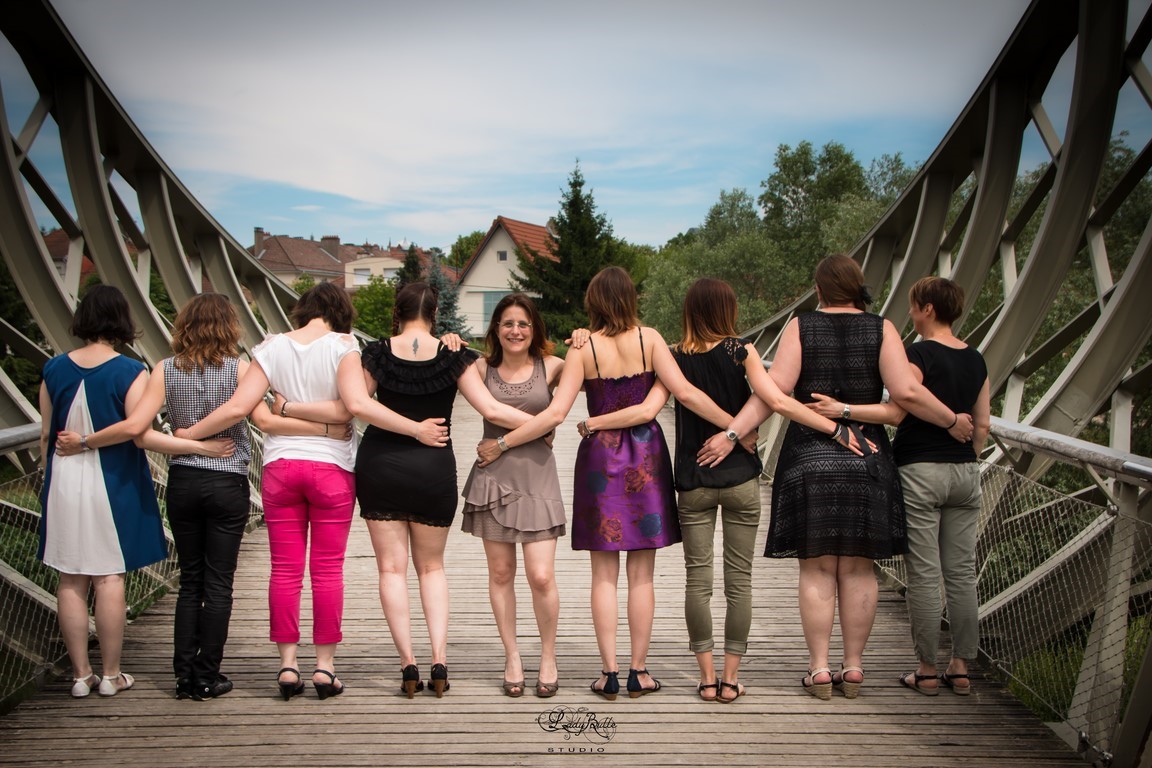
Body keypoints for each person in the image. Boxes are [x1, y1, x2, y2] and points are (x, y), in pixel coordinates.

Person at [477, 266, 767, 701]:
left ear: (593, 303)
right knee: (642, 576)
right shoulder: (651, 340)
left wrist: (521, 438)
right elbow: (674, 398)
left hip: (598, 458)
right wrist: (737, 429)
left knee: (603, 577)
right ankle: (639, 672)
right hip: (645, 458)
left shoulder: (583, 348)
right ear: (632, 299)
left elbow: (555, 414)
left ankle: (608, 673)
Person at [56, 293, 351, 701]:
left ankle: (183, 676)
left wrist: (189, 443)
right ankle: (209, 674)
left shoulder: (164, 369)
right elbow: (260, 418)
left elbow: (141, 434)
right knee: (219, 583)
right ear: (229, 326)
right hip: (228, 482)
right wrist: (212, 445)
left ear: (185, 325)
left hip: (183, 483)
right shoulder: (239, 368)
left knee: (191, 581)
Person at [581, 277, 862, 703]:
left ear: (688, 312)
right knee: (740, 582)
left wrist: (586, 358)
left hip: (693, 482)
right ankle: (731, 680)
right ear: (729, 310)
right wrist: (826, 428)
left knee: (698, 582)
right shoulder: (741, 350)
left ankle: (706, 678)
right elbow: (777, 399)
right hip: (741, 480)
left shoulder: (671, 354)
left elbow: (679, 396)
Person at [175, 282, 442, 701]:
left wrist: (191, 434)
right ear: (340, 311)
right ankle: (324, 667)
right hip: (332, 468)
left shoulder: (271, 345)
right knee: (327, 570)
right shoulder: (343, 345)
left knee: (284, 570)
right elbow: (348, 409)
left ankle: (286, 664)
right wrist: (326, 426)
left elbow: (239, 409)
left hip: (281, 468)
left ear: (302, 309)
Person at [737, 254, 973, 700]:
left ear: (820, 289)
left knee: (818, 568)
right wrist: (948, 421)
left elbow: (776, 391)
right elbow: (901, 400)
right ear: (858, 287)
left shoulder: (800, 326)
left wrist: (736, 432)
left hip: (810, 456)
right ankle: (855, 667)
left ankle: (820, 669)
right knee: (861, 569)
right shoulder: (883, 328)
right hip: (867, 456)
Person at [284, 281, 533, 699]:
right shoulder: (454, 353)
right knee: (432, 568)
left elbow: (356, 406)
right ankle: (439, 660)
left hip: (381, 466)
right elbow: (491, 409)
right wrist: (539, 425)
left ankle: (408, 665)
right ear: (435, 314)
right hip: (433, 468)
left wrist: (286, 406)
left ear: (396, 313)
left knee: (391, 571)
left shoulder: (375, 353)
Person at [38, 285, 234, 699]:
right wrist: (200, 444)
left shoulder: (52, 368)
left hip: (64, 479)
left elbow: (44, 437)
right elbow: (137, 431)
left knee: (70, 578)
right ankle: (111, 674)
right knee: (109, 576)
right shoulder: (131, 371)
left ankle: (79, 675)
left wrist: (62, 457)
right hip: (113, 482)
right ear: (121, 320)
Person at [804, 276, 990, 696]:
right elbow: (983, 424)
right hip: (965, 473)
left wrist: (848, 409)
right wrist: (968, 451)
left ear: (926, 308)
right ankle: (960, 666)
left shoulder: (917, 354)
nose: (910, 313)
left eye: (913, 306)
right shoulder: (976, 359)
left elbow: (904, 402)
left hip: (921, 469)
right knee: (961, 573)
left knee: (924, 573)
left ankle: (926, 668)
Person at [460, 294, 567, 698]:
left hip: (538, 478)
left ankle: (548, 655)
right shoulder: (479, 367)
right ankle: (512, 656)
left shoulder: (553, 367)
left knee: (541, 575)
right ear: (495, 329)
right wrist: (450, 341)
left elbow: (599, 361)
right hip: (494, 481)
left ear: (535, 328)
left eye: (523, 323)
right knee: (501, 574)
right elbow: (440, 361)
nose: (516, 331)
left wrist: (584, 335)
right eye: (507, 323)